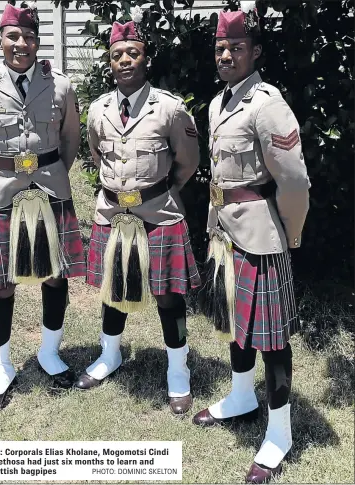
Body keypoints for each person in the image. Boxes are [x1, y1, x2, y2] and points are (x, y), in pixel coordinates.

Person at [194, 2, 310, 483]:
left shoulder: (267, 103)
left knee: (271, 338)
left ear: (255, 51)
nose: (226, 54)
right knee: (233, 323)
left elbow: (295, 182)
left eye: (236, 47)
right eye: (221, 47)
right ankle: (242, 396)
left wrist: (291, 233)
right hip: (224, 229)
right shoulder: (219, 102)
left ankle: (279, 431)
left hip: (260, 234)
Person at [0, 0, 86, 413]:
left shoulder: (61, 86)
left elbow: (70, 140)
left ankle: (50, 354)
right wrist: (2, 179)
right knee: (0, 282)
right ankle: (2, 368)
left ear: (37, 42)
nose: (22, 44)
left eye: (29, 37)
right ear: (0, 40)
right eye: (14, 36)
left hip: (50, 189)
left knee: (54, 275)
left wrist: (48, 174)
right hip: (3, 194)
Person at [75, 11, 201, 416]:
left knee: (168, 296)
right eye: (117, 55)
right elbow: (96, 153)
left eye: (134, 53)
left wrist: (155, 190)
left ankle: (177, 371)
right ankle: (109, 356)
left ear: (147, 59)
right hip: (113, 213)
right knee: (115, 287)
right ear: (109, 62)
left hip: (158, 212)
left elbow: (188, 162)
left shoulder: (169, 110)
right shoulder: (97, 111)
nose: (125, 60)